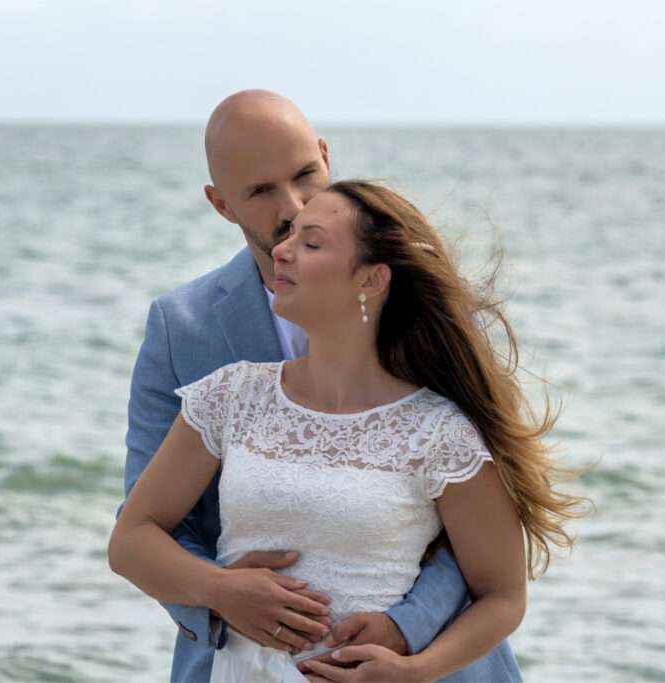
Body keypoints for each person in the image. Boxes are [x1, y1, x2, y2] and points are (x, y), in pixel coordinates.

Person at [114, 90, 526, 682]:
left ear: (326, 157)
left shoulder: (425, 307)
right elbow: (146, 524)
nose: (293, 203)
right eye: (260, 191)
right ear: (221, 203)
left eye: (306, 174)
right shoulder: (185, 335)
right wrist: (225, 596)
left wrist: (407, 627)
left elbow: (487, 526)